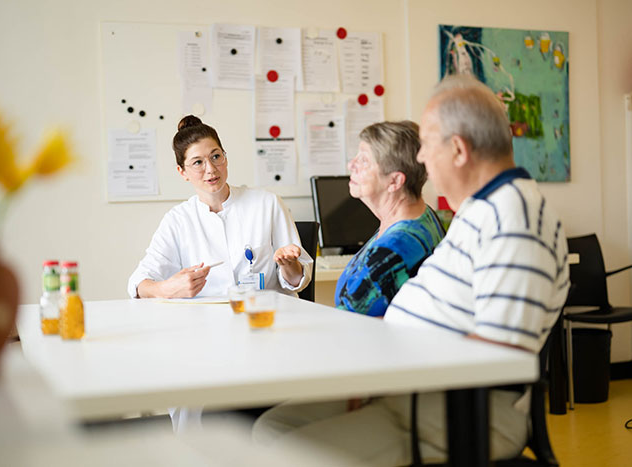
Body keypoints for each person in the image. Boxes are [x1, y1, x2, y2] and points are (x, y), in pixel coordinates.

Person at [252, 75, 570, 465]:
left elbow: (498, 358)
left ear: (458, 149)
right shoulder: (480, 211)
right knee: (271, 428)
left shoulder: (513, 220)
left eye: (427, 147)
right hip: (413, 390)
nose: (420, 159)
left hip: (453, 410)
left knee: (283, 451)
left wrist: (386, 377)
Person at [127, 115, 312, 300]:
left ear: (225, 157)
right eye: (198, 162)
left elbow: (298, 280)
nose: (211, 169)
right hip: (207, 323)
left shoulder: (267, 204)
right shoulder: (178, 220)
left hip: (266, 318)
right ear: (182, 172)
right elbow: (139, 283)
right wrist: (167, 289)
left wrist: (289, 265)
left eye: (216, 156)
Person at [335, 121, 444, 317]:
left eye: (364, 161)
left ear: (394, 181)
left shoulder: (392, 249)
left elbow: (349, 320)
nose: (351, 165)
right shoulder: (423, 214)